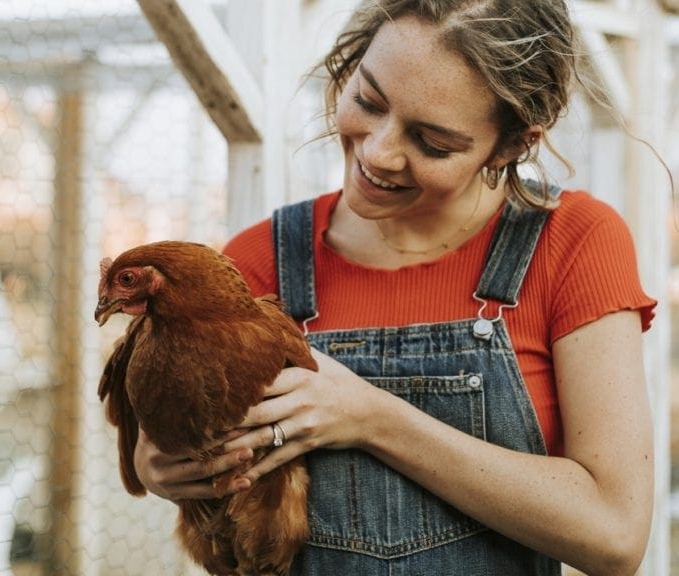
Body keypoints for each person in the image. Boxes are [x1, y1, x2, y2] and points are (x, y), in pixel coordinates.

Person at [133, 1, 657, 574]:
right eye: (368, 101)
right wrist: (159, 462)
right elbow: (169, 457)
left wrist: (374, 418)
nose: (379, 152)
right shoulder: (260, 260)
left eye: (432, 141)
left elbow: (614, 534)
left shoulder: (573, 243)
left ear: (510, 146)